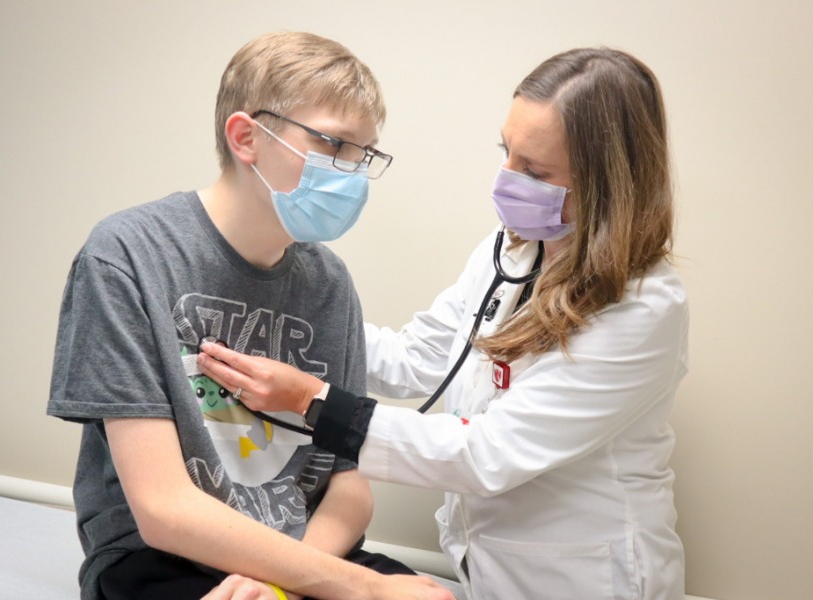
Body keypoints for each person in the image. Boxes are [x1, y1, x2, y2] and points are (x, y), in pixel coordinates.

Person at [196, 47, 690, 600]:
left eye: (535, 170)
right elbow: (420, 356)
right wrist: (288, 324)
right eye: (507, 152)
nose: (505, 180)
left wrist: (312, 399)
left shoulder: (643, 308)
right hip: (486, 567)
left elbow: (487, 454)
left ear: (606, 183)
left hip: (586, 578)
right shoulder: (511, 252)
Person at [48, 31, 455, 600]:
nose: (351, 173)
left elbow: (348, 488)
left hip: (301, 548)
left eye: (363, 153)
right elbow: (163, 509)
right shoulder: (127, 254)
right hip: (164, 555)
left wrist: (286, 583)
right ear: (246, 138)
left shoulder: (329, 282)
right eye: (334, 145)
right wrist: (359, 589)